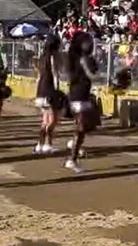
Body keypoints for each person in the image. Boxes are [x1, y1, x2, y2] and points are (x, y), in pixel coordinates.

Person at [64, 32, 100, 173]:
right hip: (79, 96)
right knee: (82, 128)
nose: (90, 44)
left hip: (77, 95)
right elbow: (93, 76)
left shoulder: (74, 57)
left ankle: (73, 144)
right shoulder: (83, 59)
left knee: (88, 124)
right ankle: (72, 160)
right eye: (87, 42)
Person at [33, 35, 62, 154]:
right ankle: (48, 144)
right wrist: (57, 90)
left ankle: (40, 144)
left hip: (40, 91)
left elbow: (38, 77)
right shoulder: (52, 57)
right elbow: (55, 74)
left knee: (45, 120)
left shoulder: (41, 58)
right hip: (49, 91)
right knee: (53, 121)